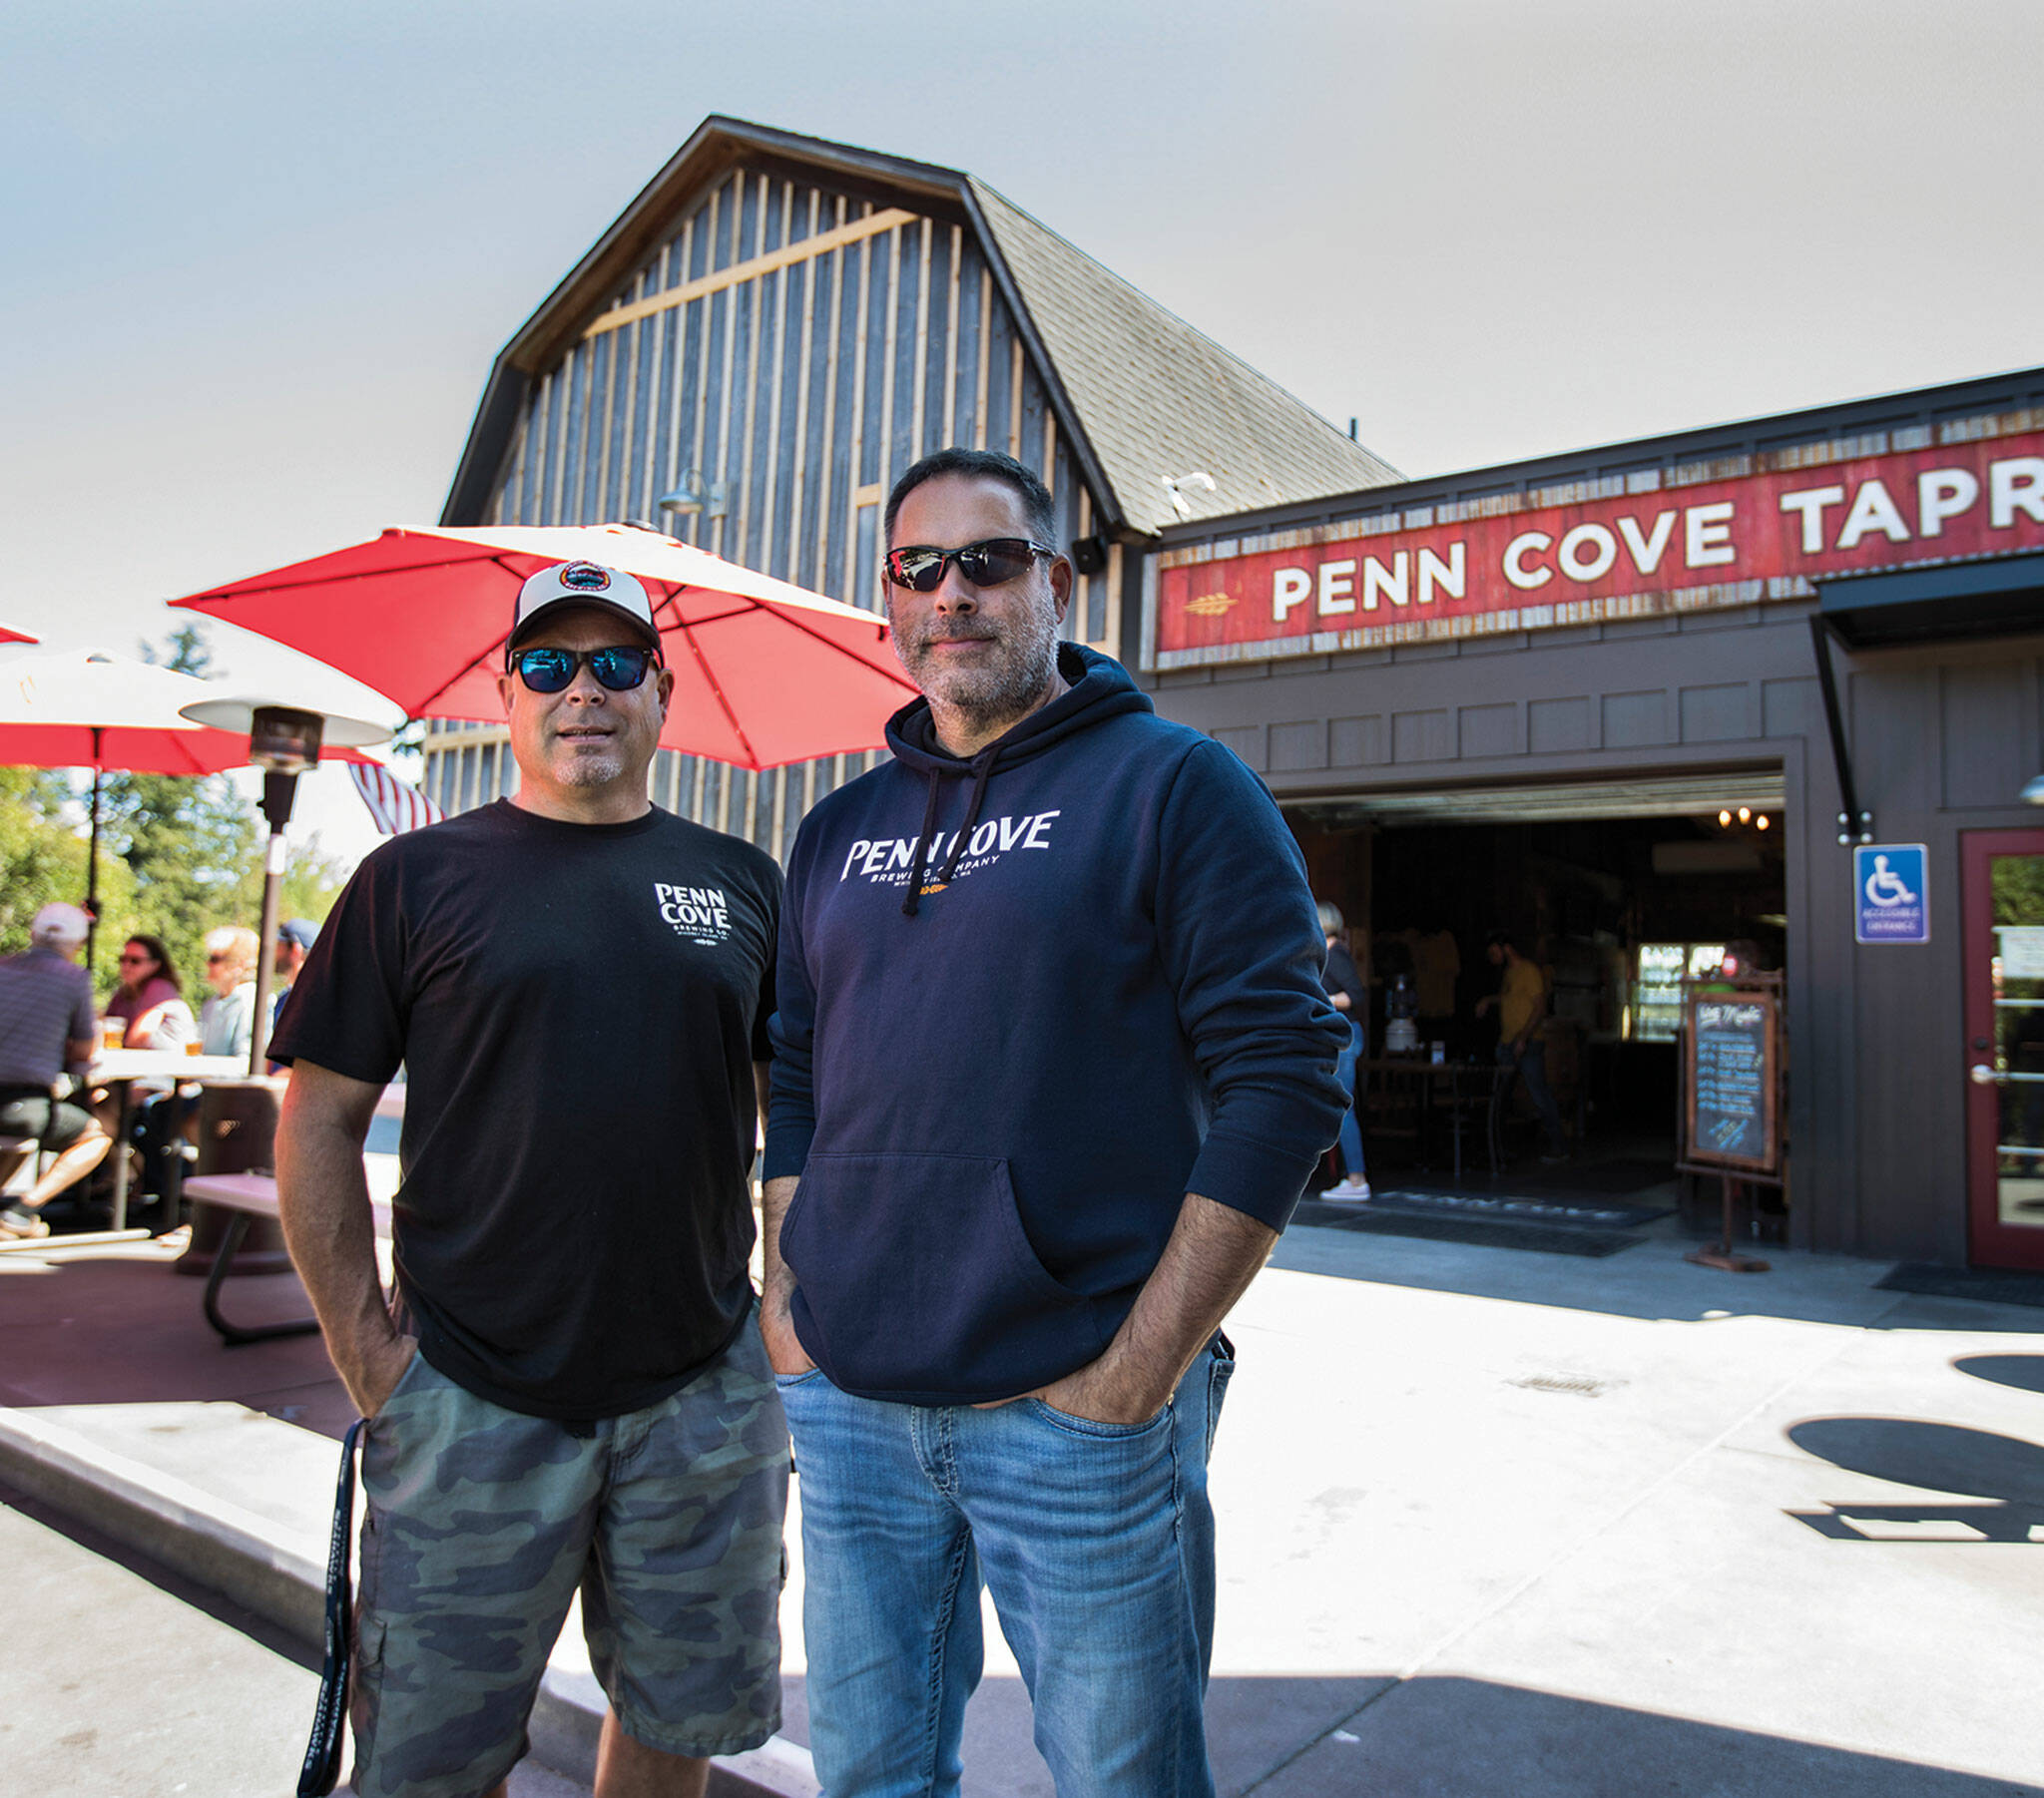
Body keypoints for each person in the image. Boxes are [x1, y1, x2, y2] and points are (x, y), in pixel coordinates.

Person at [763, 449, 1348, 1798]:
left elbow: (1286, 1077)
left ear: (1058, 582)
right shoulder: (836, 829)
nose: (951, 595)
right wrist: (787, 1299)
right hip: (852, 1409)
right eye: (919, 567)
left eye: (988, 560)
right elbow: (796, 1074)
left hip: (1076, 1410)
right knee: (869, 1776)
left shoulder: (1175, 783)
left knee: (1121, 1782)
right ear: (888, 600)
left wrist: (1138, 1370)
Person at [269, 559, 787, 1798]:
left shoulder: (742, 884)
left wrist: (783, 1319)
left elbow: (803, 1117)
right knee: (430, 1764)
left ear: (662, 694)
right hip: (466, 1391)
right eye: (549, 665)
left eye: (617, 664)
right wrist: (370, 1359)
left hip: (699, 1399)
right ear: (506, 693)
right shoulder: (413, 878)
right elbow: (317, 1123)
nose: (583, 692)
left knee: (677, 1719)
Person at [0, 903, 113, 1238]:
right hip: (23, 1103)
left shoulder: (3, 968)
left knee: (22, 1134)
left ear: (33, 935)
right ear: (76, 945)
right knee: (95, 1136)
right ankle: (22, 1211)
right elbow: (83, 1049)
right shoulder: (74, 978)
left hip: (15, 1105)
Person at [1476, 928, 1567, 1161]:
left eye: (1494, 953)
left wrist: (1523, 1037)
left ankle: (1559, 1146)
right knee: (1501, 1096)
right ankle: (1498, 1147)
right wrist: (1489, 1000)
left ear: (1506, 949)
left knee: (1538, 1093)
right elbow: (1511, 999)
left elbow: (1539, 1008)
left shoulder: (1529, 971)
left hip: (1526, 1043)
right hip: (1508, 1042)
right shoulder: (1509, 974)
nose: (1492, 958)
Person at [1317, 899, 1371, 1201]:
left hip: (1346, 1037)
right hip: (1341, 1037)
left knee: (1343, 1110)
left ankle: (1356, 1179)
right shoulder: (1327, 952)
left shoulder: (1335, 953)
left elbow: (1355, 995)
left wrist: (1320, 997)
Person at [102, 935, 197, 1051]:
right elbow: (105, 1025)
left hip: (171, 1064)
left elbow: (137, 1038)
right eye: (122, 959)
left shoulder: (159, 988)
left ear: (155, 965)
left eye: (135, 961)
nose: (126, 965)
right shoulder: (123, 993)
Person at [197, 925, 259, 1059]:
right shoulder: (210, 1004)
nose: (208, 964)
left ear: (239, 964)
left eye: (215, 959)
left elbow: (244, 1059)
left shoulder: (252, 1002)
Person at [271, 917, 317, 1018]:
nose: (272, 951)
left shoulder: (308, 1003)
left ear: (295, 949)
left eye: (278, 944)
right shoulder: (285, 997)